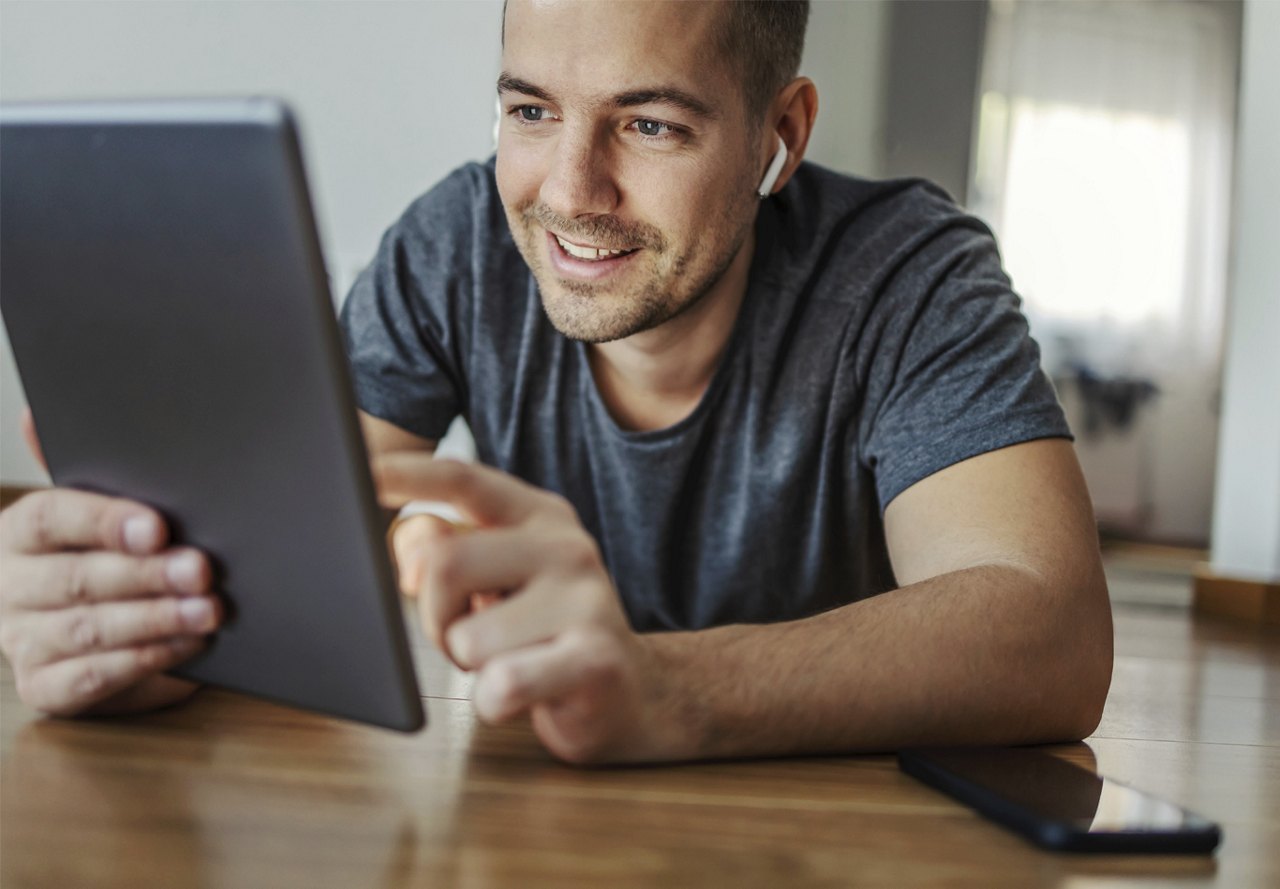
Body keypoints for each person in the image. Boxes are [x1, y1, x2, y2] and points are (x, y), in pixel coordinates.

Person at [0, 0, 1112, 764]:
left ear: (780, 136)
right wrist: (154, 633)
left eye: (648, 123)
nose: (568, 192)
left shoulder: (909, 272)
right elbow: (297, 551)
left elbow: (1049, 633)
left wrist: (665, 690)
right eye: (530, 111)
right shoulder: (457, 240)